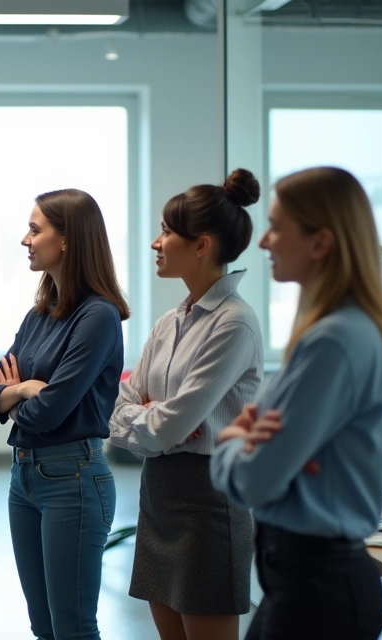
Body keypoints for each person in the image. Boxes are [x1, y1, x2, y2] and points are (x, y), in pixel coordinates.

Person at [210, 166, 382, 640]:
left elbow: (255, 479)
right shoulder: (333, 333)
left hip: (319, 591)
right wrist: (254, 447)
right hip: (302, 582)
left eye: (277, 226)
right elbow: (269, 465)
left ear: (320, 243)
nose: (264, 241)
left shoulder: (333, 342)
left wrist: (229, 444)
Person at [107, 170, 263, 640]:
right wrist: (152, 418)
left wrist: (156, 421)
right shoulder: (170, 321)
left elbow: (164, 428)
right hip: (159, 493)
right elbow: (120, 409)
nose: (157, 242)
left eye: (167, 231)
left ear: (202, 245)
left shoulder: (234, 324)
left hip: (209, 503)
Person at [0, 188, 128, 640]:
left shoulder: (98, 316)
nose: (26, 239)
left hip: (73, 480)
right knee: (43, 626)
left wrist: (14, 398)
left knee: (73, 627)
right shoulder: (38, 315)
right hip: (24, 476)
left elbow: (48, 412)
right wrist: (21, 388)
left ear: (67, 241)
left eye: (35, 229)